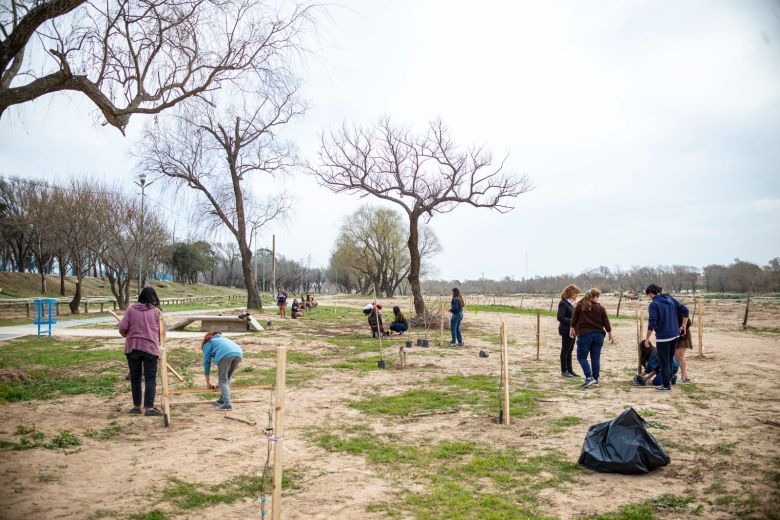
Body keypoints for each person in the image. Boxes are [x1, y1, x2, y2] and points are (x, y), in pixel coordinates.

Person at [119, 287, 164, 416]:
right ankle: (149, 408)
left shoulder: (131, 310)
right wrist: (158, 342)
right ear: (154, 298)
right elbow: (162, 333)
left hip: (133, 347)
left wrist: (126, 334)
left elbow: (122, 327)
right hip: (150, 348)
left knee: (135, 378)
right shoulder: (157, 312)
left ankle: (136, 407)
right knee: (150, 378)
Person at [644, 284, 688, 392]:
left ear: (650, 292)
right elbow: (685, 310)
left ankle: (666, 385)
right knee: (669, 360)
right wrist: (683, 325)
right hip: (675, 335)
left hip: (663, 337)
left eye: (648, 295)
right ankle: (668, 380)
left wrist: (647, 338)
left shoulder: (654, 304)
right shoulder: (670, 299)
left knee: (664, 361)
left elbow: (652, 322)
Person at [570, 288, 613, 388]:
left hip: (585, 335)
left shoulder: (580, 306)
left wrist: (571, 329)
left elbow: (574, 319)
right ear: (596, 297)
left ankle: (589, 377)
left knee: (581, 357)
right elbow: (606, 321)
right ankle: (596, 378)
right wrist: (610, 333)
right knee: (595, 358)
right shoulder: (600, 308)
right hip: (598, 336)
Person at [202, 331, 244, 411]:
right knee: (227, 378)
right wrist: (219, 383)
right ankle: (222, 400)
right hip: (239, 354)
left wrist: (208, 383)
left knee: (223, 380)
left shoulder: (209, 342)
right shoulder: (224, 340)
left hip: (226, 355)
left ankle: (227, 405)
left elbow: (207, 362)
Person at [556, 284, 581, 378]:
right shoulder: (563, 303)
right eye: (575, 293)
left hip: (573, 330)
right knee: (565, 350)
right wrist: (572, 321)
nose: (576, 296)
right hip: (566, 330)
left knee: (570, 351)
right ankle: (564, 370)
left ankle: (570, 370)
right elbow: (560, 317)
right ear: (570, 293)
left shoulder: (571, 303)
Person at [675, 307, 693, 383]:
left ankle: (683, 378)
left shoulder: (680, 311)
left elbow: (688, 322)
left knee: (680, 356)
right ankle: (686, 377)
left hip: (684, 336)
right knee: (677, 356)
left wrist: (682, 328)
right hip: (677, 336)